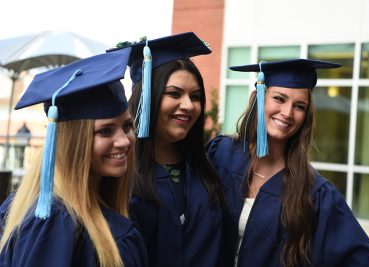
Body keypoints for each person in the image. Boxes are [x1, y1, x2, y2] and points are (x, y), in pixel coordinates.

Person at [206, 59, 369, 267]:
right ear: (258, 98)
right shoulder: (220, 154)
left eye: (299, 106)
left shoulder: (314, 192)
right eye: (279, 99)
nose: (288, 113)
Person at [0, 48, 147, 267]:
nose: (124, 141)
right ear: (73, 143)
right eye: (105, 131)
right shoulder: (55, 223)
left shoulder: (91, 209)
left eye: (127, 126)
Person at [109, 32, 226, 267]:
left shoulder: (206, 168)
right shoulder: (118, 174)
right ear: (147, 97)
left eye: (195, 96)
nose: (188, 105)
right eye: (174, 93)